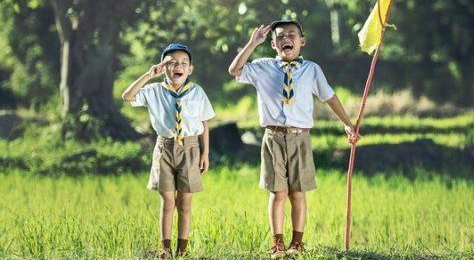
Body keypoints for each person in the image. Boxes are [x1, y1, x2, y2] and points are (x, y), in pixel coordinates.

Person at [228, 20, 358, 258]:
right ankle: (277, 243)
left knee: (297, 193)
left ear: (302, 41)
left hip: (300, 138)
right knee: (277, 192)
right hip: (273, 137)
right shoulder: (262, 66)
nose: (286, 39)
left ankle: (297, 243)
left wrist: (348, 124)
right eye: (280, 36)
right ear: (273, 44)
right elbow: (234, 70)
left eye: (291, 35)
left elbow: (329, 97)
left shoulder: (312, 69)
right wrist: (252, 43)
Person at [122, 43, 215, 258]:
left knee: (185, 202)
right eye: (171, 63)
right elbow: (127, 96)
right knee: (168, 202)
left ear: (190, 69)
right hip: (164, 147)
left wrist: (205, 153)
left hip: (191, 147)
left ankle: (182, 250)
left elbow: (205, 122)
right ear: (163, 68)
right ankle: (165, 250)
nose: (177, 66)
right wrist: (148, 75)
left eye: (183, 63)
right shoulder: (154, 90)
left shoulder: (197, 92)